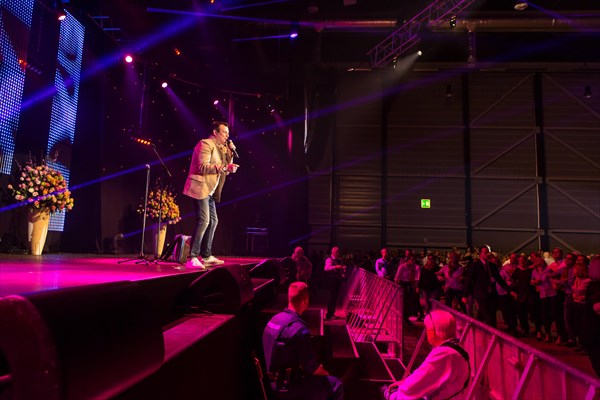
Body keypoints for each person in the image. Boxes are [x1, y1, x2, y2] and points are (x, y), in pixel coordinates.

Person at [262, 282, 343, 400]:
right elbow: (312, 368)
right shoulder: (299, 330)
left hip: (269, 384)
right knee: (336, 384)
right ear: (305, 300)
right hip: (288, 388)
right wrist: (325, 372)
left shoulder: (274, 319)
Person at [183, 121, 239, 269]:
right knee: (204, 221)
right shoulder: (206, 144)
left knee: (213, 222)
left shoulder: (222, 148)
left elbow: (226, 169)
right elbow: (202, 166)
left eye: (228, 133)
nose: (227, 135)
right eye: (224, 132)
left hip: (211, 190)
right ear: (215, 132)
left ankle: (206, 256)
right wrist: (225, 167)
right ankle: (192, 257)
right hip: (201, 187)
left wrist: (230, 155)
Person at [383, 310, 470, 400]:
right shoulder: (455, 348)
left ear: (434, 331)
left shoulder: (444, 354)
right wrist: (405, 382)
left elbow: (418, 382)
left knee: (387, 392)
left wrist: (394, 394)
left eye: (428, 329)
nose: (427, 333)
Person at [324, 246, 346, 320]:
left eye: (338, 252)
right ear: (332, 252)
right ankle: (329, 314)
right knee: (332, 297)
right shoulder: (329, 259)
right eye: (337, 252)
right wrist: (335, 267)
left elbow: (340, 269)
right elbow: (326, 268)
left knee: (335, 297)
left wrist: (343, 269)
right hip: (332, 280)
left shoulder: (339, 260)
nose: (338, 253)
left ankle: (332, 313)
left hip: (338, 280)